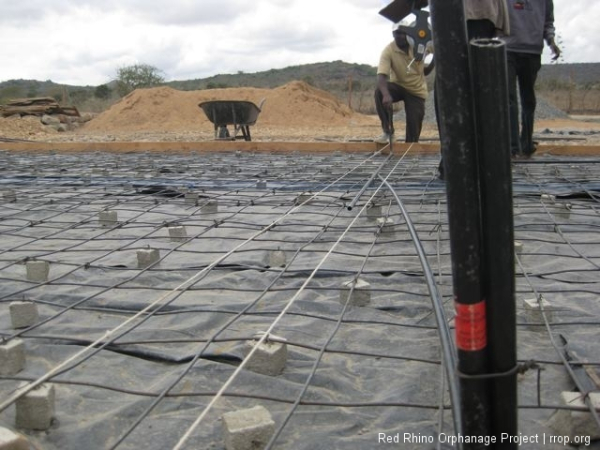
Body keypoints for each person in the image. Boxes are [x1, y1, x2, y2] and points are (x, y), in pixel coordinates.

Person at [436, 0, 510, 179]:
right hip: (480, 15)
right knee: (476, 87)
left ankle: (457, 162)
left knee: (451, 91)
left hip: (468, 14)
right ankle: (472, 162)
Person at [505, 0, 560, 158]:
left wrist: (551, 42)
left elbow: (548, 21)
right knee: (509, 99)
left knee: (528, 98)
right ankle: (512, 147)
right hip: (508, 49)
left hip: (532, 51)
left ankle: (526, 144)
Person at [374, 19, 434, 144]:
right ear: (393, 34)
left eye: (403, 33)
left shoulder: (419, 45)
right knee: (380, 91)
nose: (400, 36)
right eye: (397, 33)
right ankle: (388, 132)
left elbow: (426, 71)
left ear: (409, 33)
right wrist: (386, 95)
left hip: (416, 91)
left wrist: (435, 60)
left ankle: (410, 149)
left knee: (413, 134)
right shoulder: (388, 51)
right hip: (398, 86)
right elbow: (381, 76)